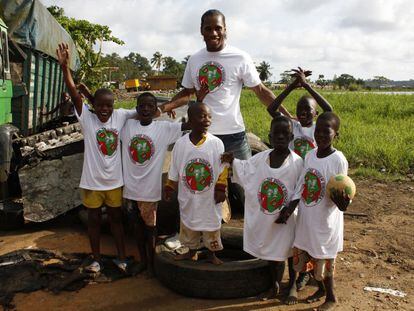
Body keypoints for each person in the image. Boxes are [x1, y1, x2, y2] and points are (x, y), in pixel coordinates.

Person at [158, 9, 291, 208]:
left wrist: (287, 116)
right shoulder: (195, 60)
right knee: (198, 184)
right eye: (208, 28)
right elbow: (187, 93)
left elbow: (261, 90)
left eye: (217, 28)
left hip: (234, 135)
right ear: (201, 31)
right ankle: (196, 232)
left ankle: (255, 232)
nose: (213, 33)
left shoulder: (239, 57)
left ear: (225, 30)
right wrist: (162, 108)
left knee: (247, 185)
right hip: (203, 135)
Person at [57, 43, 136, 273]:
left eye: (108, 105)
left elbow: (144, 110)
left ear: (114, 106)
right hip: (91, 182)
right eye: (100, 105)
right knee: (93, 222)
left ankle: (121, 257)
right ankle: (96, 259)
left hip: (114, 183)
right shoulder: (87, 119)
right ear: (94, 105)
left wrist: (171, 108)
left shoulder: (120, 116)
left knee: (115, 221)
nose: (104, 109)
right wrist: (65, 68)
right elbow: (74, 93)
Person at [221, 114, 303, 304]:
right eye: (277, 134)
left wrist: (289, 210)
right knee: (271, 251)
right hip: (269, 218)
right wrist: (232, 161)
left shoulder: (297, 162)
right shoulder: (261, 159)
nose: (281, 137)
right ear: (270, 136)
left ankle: (291, 285)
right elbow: (246, 169)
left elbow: (301, 189)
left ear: (291, 138)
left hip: (288, 217)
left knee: (289, 252)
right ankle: (273, 285)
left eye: (285, 134)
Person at [276, 111, 351, 311]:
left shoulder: (338, 159)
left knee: (324, 259)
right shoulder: (310, 155)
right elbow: (301, 185)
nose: (321, 136)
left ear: (336, 135)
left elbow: (342, 189)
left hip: (325, 221)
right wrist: (290, 208)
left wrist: (344, 204)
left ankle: (332, 297)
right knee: (307, 254)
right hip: (307, 217)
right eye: (318, 132)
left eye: (326, 132)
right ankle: (320, 290)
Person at [121, 92, 190, 276]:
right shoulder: (127, 126)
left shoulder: (163, 129)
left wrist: (197, 99)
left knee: (150, 229)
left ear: (155, 110)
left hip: (149, 191)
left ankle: (152, 264)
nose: (145, 109)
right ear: (136, 109)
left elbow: (189, 124)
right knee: (136, 227)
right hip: (130, 189)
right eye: (141, 106)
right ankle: (143, 261)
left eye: (150, 106)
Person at [164, 102, 227, 265]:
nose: (207, 120)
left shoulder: (216, 143)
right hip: (189, 196)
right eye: (202, 116)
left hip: (209, 197)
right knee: (189, 223)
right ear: (190, 121)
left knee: (210, 225)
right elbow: (175, 167)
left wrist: (221, 189)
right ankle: (191, 251)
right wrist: (170, 187)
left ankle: (212, 254)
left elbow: (223, 169)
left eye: (209, 116)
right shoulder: (181, 144)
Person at [268, 67, 333, 159]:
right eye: (299, 109)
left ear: (316, 113)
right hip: (294, 169)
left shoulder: (318, 128)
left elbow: (328, 110)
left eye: (307, 109)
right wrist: (292, 86)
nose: (303, 112)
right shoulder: (292, 126)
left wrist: (306, 85)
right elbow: (272, 109)